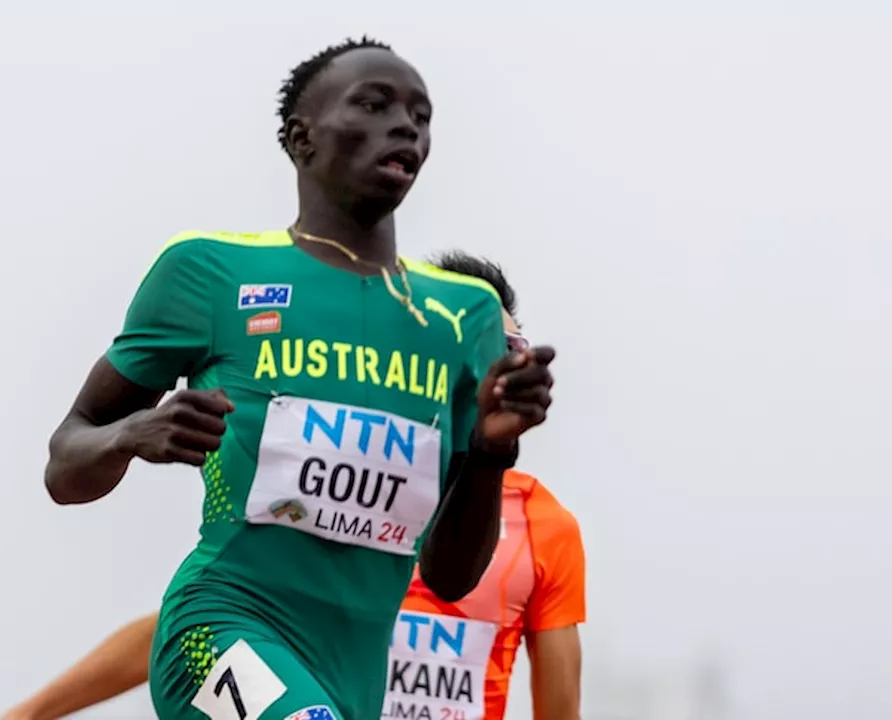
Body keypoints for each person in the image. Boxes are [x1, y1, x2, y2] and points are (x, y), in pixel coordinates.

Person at [43, 36, 557, 720]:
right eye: (373, 105)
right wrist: (131, 434)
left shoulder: (462, 317)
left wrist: (494, 452)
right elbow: (64, 465)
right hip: (217, 629)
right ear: (300, 138)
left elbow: (450, 576)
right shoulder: (209, 273)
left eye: (420, 114)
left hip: (355, 670)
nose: (404, 125)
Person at [10, 254, 582, 720]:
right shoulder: (358, 492)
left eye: (510, 351)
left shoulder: (540, 528)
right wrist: (31, 713)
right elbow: (188, 633)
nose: (494, 367)